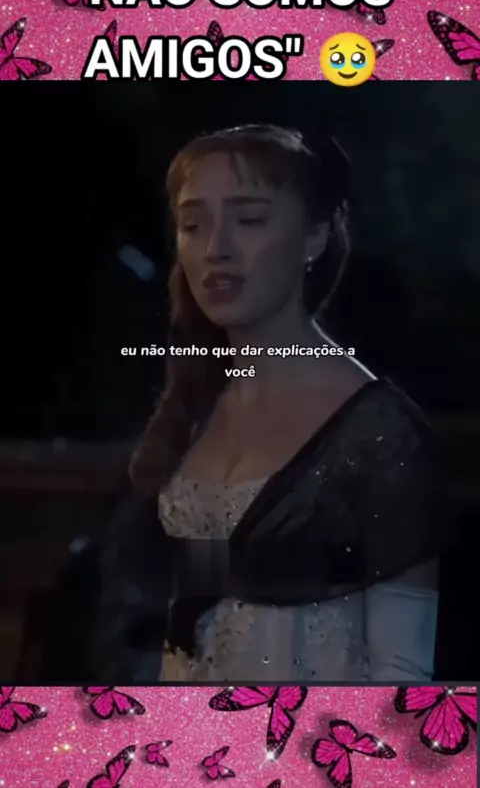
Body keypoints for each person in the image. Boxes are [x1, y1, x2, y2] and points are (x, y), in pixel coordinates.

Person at [83, 124, 448, 684]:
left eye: (249, 220)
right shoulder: (200, 403)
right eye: (193, 225)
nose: (216, 249)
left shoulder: (378, 431)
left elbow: (403, 673)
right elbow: (188, 623)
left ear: (315, 236)